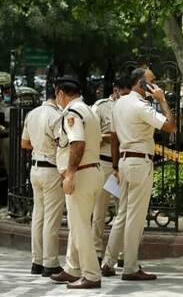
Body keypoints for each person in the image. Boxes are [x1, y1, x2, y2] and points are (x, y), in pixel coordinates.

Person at [100, 68, 176, 280]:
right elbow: (171, 126)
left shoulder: (119, 103)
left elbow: (114, 138)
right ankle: (131, 267)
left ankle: (108, 262)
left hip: (124, 162)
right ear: (141, 83)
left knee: (123, 214)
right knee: (135, 216)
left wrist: (115, 165)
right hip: (139, 162)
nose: (155, 84)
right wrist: (161, 100)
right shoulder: (139, 105)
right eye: (152, 81)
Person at [49, 76, 103, 289]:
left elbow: (77, 143)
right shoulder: (88, 109)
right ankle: (73, 268)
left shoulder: (72, 113)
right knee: (77, 223)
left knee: (80, 227)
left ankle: (91, 275)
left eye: (56, 95)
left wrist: (70, 174)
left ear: (60, 93)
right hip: (91, 172)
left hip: (81, 174)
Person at [20, 85, 64, 277]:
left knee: (38, 216)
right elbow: (62, 143)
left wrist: (39, 146)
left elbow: (24, 144)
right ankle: (50, 263)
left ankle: (36, 261)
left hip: (36, 168)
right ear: (57, 95)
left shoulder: (32, 114)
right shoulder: (56, 116)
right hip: (51, 168)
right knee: (51, 218)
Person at [91, 77, 130, 265]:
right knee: (99, 212)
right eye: (123, 92)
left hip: (124, 163)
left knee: (123, 210)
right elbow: (90, 134)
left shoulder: (131, 106)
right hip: (105, 163)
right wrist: (108, 137)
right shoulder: (101, 107)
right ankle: (97, 252)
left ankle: (121, 253)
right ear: (115, 90)